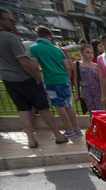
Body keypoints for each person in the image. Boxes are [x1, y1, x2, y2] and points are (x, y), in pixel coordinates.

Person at [0, 8, 67, 147]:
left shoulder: (9, 36)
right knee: (43, 108)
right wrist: (37, 77)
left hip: (8, 79)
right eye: (11, 20)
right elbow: (24, 61)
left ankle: (31, 139)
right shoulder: (9, 37)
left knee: (23, 109)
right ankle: (58, 135)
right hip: (24, 78)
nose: (14, 23)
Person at [29, 25, 83, 140]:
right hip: (64, 80)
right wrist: (67, 79)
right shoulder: (58, 49)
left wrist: (38, 80)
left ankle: (69, 131)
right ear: (48, 36)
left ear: (38, 36)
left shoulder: (34, 48)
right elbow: (68, 67)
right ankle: (76, 129)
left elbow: (34, 67)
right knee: (68, 105)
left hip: (51, 81)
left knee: (60, 106)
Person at [73, 43, 104, 116]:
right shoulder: (77, 64)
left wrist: (103, 95)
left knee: (100, 111)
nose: (90, 55)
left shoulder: (96, 65)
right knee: (91, 111)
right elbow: (76, 79)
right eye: (87, 52)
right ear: (82, 53)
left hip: (97, 90)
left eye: (91, 53)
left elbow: (101, 80)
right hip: (86, 90)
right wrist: (77, 94)